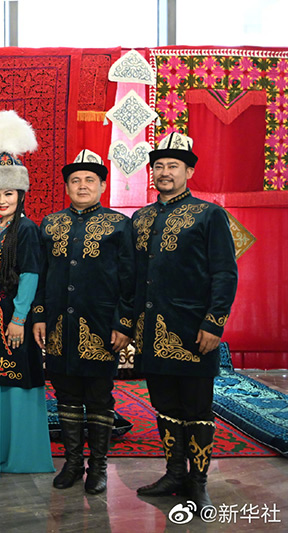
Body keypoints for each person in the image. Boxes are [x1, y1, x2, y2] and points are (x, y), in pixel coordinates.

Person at [133, 133, 237, 510]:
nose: (165, 172)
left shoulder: (209, 215)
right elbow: (131, 276)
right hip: (150, 330)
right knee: (164, 406)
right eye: (159, 166)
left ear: (189, 171)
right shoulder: (141, 217)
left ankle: (198, 480)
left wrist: (214, 323)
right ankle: (175, 473)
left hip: (193, 330)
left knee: (196, 409)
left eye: (173, 166)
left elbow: (225, 273)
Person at [30, 150, 135, 494]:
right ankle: (73, 462)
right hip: (59, 324)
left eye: (90, 179)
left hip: (101, 325)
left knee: (99, 397)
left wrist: (124, 323)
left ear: (102, 185)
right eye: (75, 180)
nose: (82, 185)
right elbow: (41, 274)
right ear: (66, 187)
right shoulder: (51, 223)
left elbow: (130, 279)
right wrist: (39, 315)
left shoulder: (119, 225)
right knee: (65, 394)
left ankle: (98, 467)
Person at [0, 110, 54, 478]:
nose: (2, 200)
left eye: (9, 193)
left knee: (17, 378)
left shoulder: (27, 229)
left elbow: (31, 275)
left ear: (21, 193)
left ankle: (19, 454)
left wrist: (20, 318)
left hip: (15, 313)